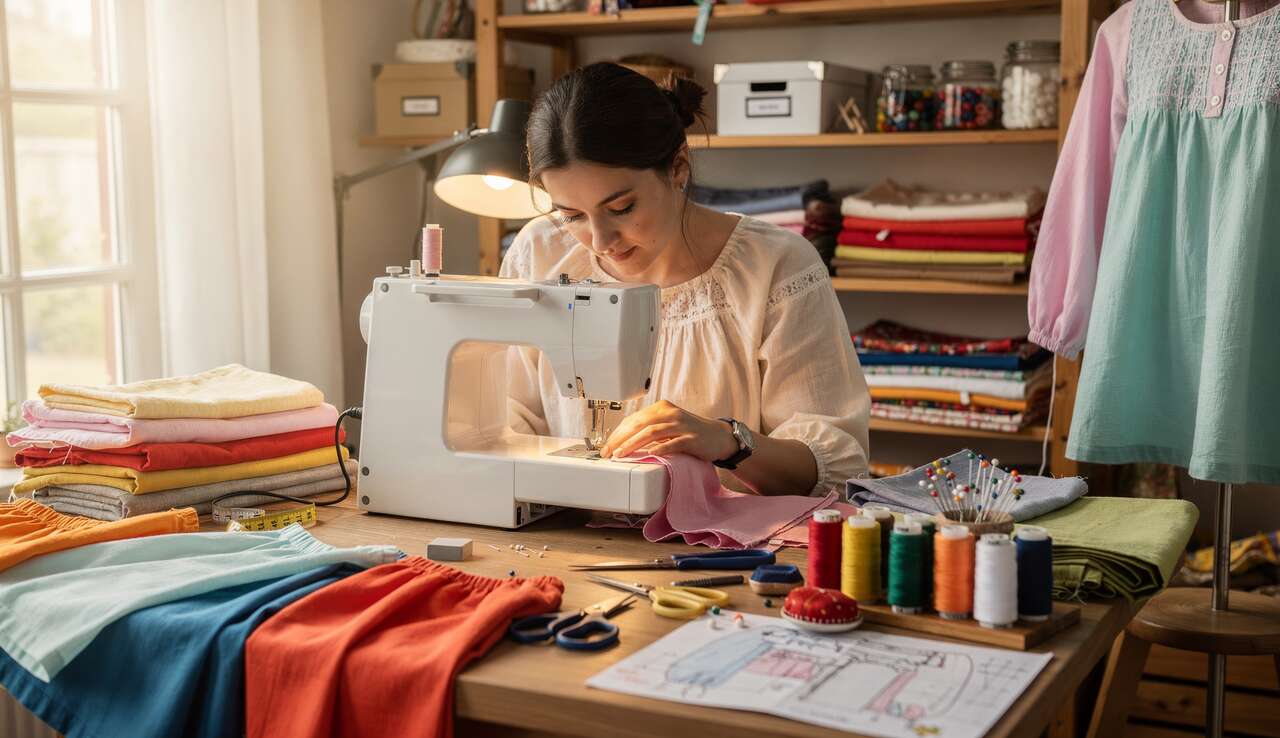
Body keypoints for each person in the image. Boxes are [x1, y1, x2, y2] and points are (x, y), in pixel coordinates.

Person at [501, 62, 870, 496]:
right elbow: (507, 415)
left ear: (678, 167)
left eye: (621, 209)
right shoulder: (541, 253)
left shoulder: (776, 267)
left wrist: (727, 443)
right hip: (570, 535)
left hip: (728, 549)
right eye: (572, 215)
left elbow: (838, 468)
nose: (599, 241)